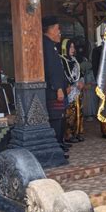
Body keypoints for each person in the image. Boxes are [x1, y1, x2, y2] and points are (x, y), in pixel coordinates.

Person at [42, 16, 68, 158]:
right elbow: (51, 69)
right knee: (56, 120)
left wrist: (64, 86)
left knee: (60, 119)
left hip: (57, 88)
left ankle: (59, 146)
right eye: (58, 29)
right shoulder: (46, 45)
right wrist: (58, 88)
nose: (59, 32)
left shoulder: (51, 45)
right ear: (51, 29)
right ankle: (56, 150)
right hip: (52, 90)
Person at [60, 39, 85, 143]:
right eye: (70, 47)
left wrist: (81, 82)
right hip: (69, 90)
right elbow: (61, 75)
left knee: (79, 111)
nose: (73, 49)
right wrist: (67, 85)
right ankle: (68, 134)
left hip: (77, 90)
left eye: (73, 47)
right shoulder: (61, 60)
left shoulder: (75, 60)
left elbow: (80, 74)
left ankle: (78, 132)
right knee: (70, 113)